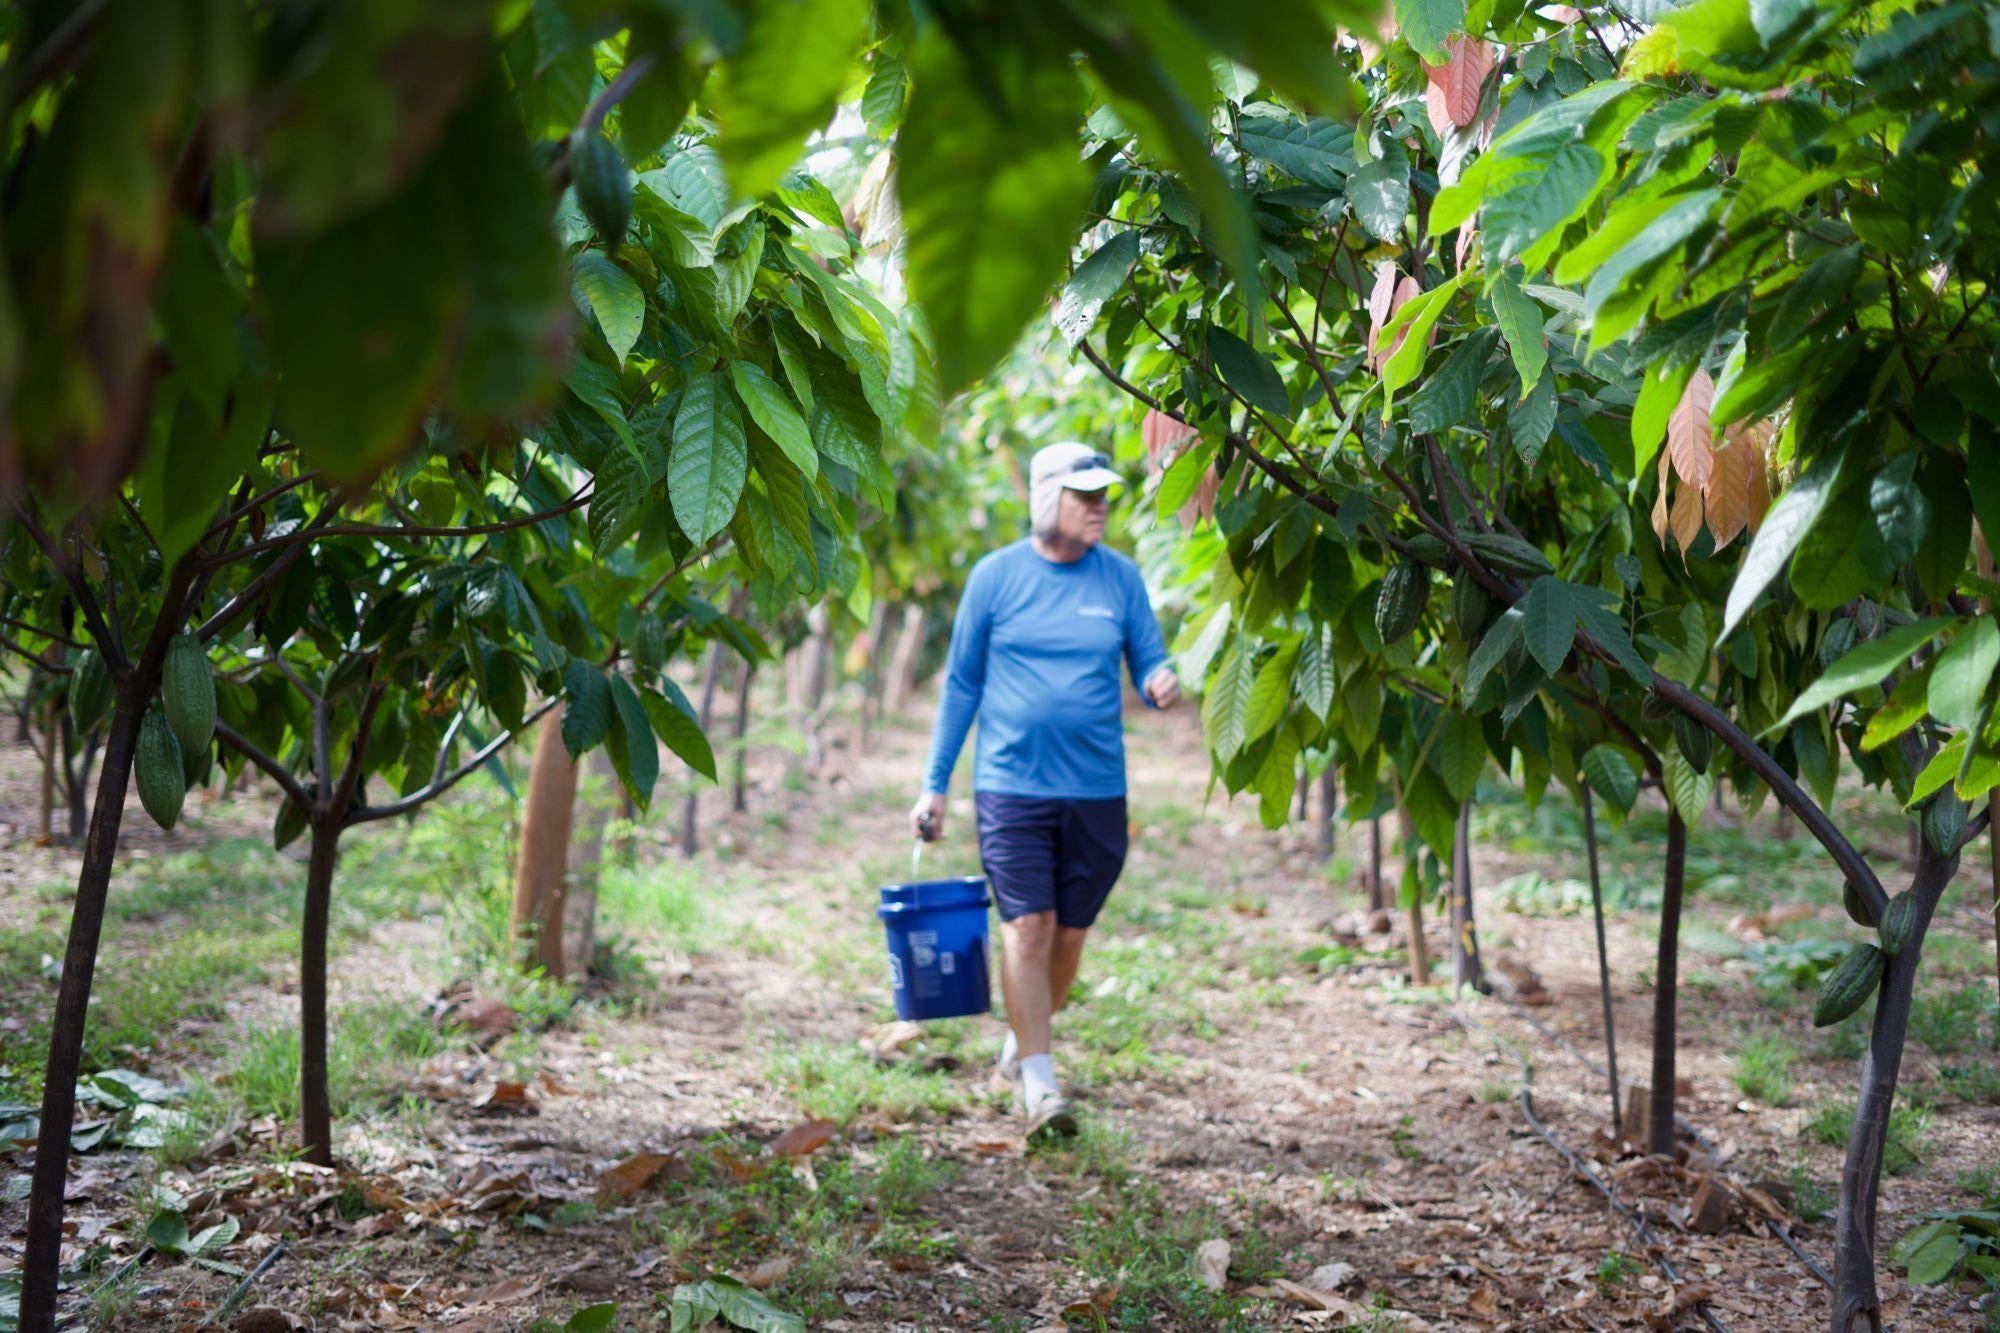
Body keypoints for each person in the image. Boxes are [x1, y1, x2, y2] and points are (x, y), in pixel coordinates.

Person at [909, 440, 1179, 1140]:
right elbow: (962, 684)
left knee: (1069, 933)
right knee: (1028, 926)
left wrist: (1160, 680)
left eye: (1104, 495)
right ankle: (1040, 1083)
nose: (1099, 507)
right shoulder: (995, 578)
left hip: (1096, 789)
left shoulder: (1120, 579)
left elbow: (1149, 658)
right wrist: (935, 785)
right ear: (1046, 498)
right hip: (1011, 787)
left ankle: (1024, 1037)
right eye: (1084, 496)